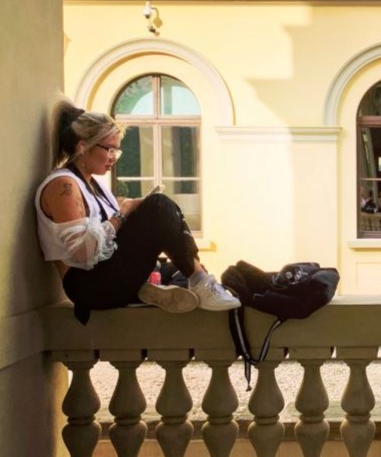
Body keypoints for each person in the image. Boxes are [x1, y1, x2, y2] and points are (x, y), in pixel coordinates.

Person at [35, 101, 241, 324]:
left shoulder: (94, 186)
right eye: (109, 149)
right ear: (83, 146)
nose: (114, 157)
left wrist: (134, 210)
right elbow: (81, 254)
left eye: (117, 150)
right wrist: (123, 213)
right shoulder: (63, 186)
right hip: (87, 285)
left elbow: (112, 232)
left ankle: (160, 286)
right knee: (158, 206)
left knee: (176, 264)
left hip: (107, 275)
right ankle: (197, 283)